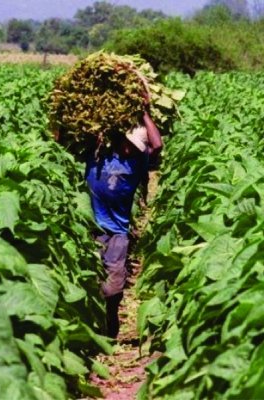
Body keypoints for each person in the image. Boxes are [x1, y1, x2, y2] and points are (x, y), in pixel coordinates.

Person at [85, 96, 163, 338]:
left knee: (113, 286)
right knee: (91, 281)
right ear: (120, 139)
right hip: (93, 228)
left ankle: (111, 316)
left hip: (118, 232)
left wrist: (143, 113)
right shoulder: (98, 154)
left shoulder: (137, 163)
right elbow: (71, 136)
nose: (132, 149)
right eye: (129, 144)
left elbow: (157, 145)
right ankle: (96, 326)